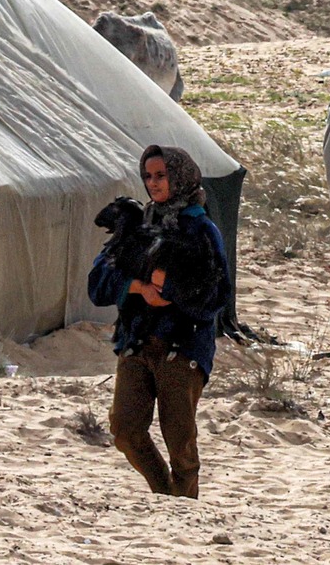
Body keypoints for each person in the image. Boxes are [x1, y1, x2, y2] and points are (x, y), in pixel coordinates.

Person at [88, 144, 230, 498]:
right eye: (148, 176)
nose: (153, 184)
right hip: (137, 342)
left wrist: (174, 290)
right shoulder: (136, 226)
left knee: (179, 439)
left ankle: (183, 507)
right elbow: (98, 284)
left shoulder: (201, 230)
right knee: (125, 429)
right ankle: (165, 494)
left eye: (161, 176)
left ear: (179, 178)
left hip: (182, 347)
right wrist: (137, 287)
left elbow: (216, 297)